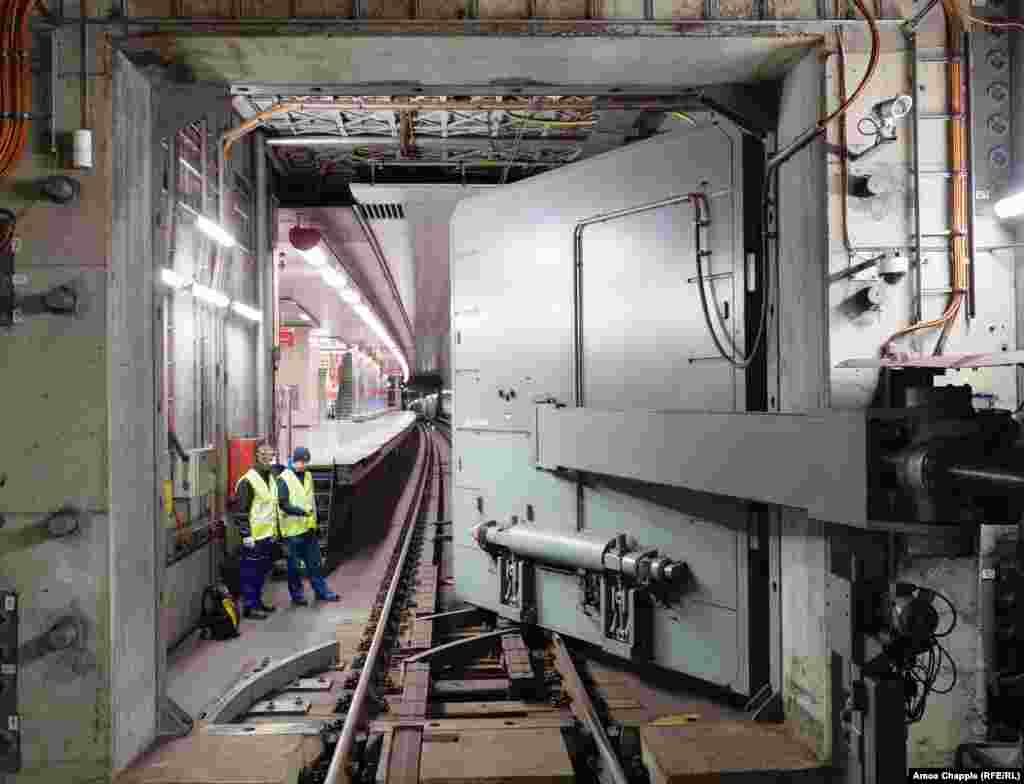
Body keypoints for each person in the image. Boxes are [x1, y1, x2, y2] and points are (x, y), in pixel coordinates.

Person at [277, 447, 340, 606]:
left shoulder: (308, 476)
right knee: (294, 568)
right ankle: (297, 596)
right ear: (293, 460)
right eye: (300, 462)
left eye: (305, 462)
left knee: (315, 563)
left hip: (308, 529)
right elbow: (283, 504)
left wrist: (315, 522)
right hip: (292, 532)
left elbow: (310, 500)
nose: (303, 465)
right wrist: (302, 513)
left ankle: (322, 591)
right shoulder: (283, 478)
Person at [232, 443, 281, 619]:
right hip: (254, 537)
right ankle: (249, 607)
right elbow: (241, 511)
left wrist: (274, 531)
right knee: (250, 572)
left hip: (267, 535)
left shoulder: (271, 479)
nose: (268, 459)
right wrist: (246, 535)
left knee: (261, 572)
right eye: (264, 456)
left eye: (270, 456)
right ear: (257, 457)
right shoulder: (247, 481)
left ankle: (257, 602)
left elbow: (271, 508)